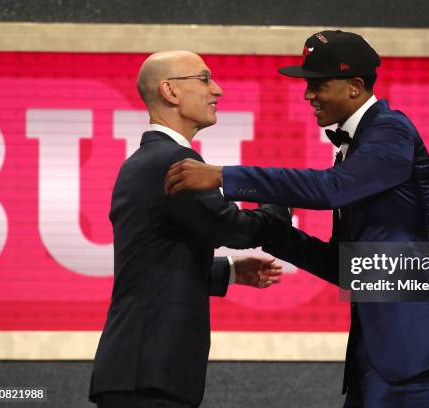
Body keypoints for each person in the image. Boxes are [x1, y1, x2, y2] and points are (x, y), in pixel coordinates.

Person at [164, 31, 429, 407]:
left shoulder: (391, 130)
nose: (307, 95)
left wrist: (225, 176)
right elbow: (346, 268)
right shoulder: (357, 147)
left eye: (317, 84)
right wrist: (270, 231)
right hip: (380, 351)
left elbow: (330, 189)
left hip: (411, 347)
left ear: (355, 86)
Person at [89, 51, 292, 408]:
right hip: (150, 372)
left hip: (137, 369)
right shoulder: (172, 162)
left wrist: (228, 271)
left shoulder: (144, 160)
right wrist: (277, 192)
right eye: (204, 78)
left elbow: (151, 259)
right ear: (170, 91)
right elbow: (239, 230)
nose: (217, 90)